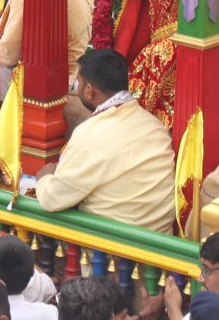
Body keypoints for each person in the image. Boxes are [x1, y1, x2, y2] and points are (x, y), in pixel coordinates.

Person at [29, 49, 175, 230]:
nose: (77, 88)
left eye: (78, 84)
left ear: (89, 91)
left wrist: (44, 177)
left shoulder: (89, 134)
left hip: (112, 248)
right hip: (162, 244)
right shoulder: (155, 125)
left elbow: (52, 199)